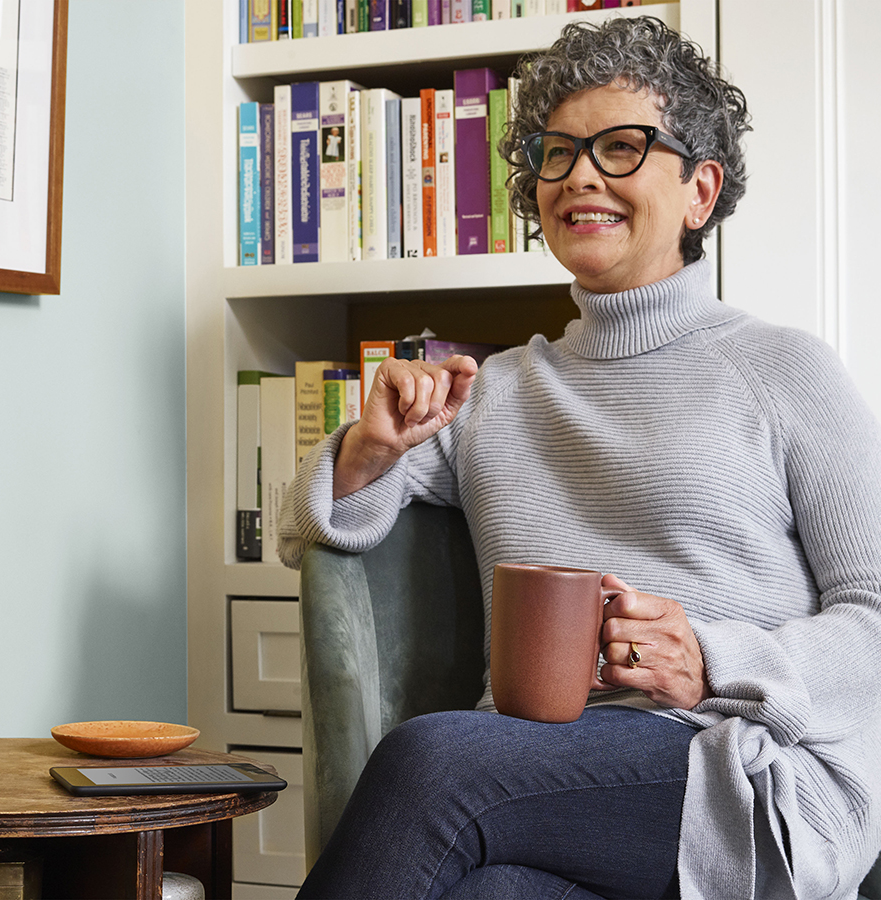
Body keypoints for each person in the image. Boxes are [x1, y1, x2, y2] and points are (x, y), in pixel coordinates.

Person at [278, 16, 881, 900]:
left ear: (700, 191)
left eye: (623, 146)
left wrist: (711, 657)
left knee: (432, 759)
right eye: (556, 154)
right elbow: (304, 525)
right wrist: (368, 447)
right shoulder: (497, 391)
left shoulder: (785, 370)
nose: (580, 175)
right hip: (536, 780)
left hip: (737, 770)